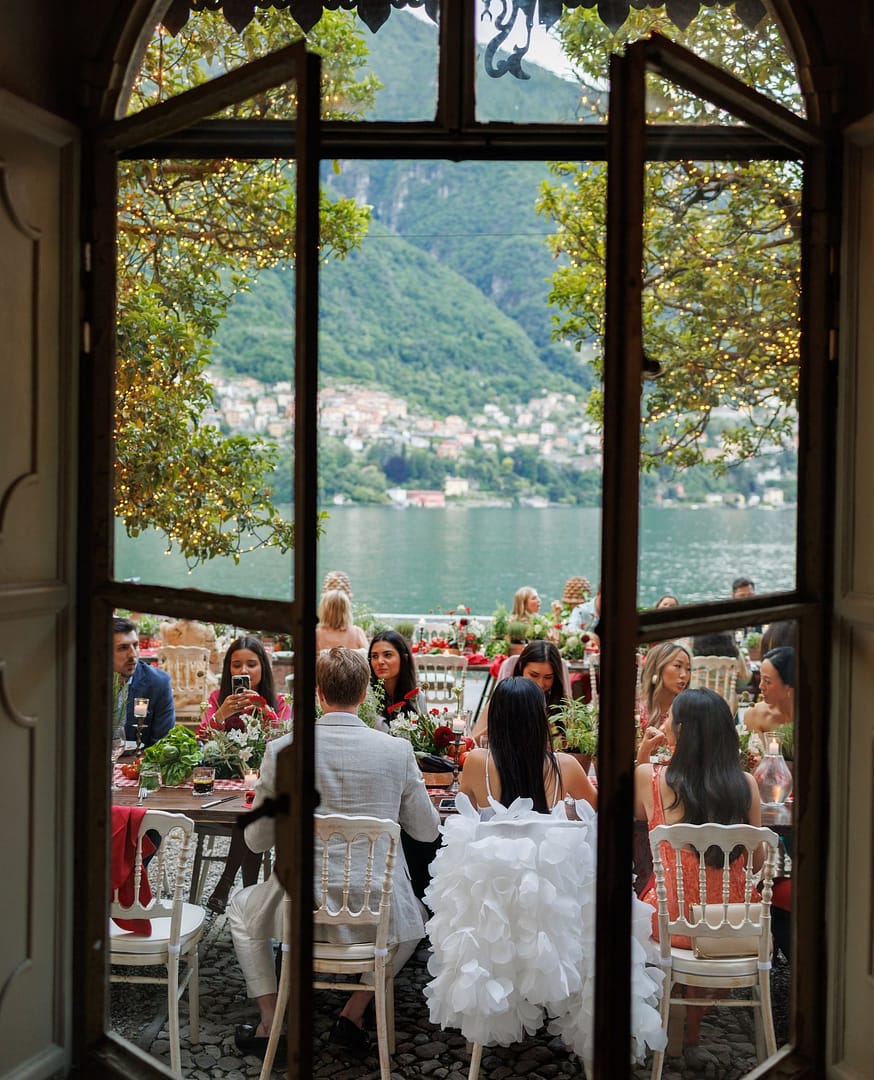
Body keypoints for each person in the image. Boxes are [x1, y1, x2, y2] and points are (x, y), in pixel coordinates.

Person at [228, 648, 440, 1060]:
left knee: (240, 910)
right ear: (363, 694)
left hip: (299, 910)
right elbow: (427, 831)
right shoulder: (396, 751)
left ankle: (270, 1022)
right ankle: (352, 1014)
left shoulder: (282, 749)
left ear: (319, 694)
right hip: (375, 914)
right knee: (415, 918)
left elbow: (255, 841)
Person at [634, 687, 763, 1049]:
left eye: (670, 717)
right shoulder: (747, 785)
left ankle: (671, 1001)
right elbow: (758, 861)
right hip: (733, 924)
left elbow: (637, 814)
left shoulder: (651, 779)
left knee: (651, 901)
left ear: (681, 730)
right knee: (716, 907)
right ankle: (694, 1017)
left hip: (670, 924)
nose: (665, 722)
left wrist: (643, 753)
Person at [199, 635, 292, 915]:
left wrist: (265, 712)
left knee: (252, 807)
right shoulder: (217, 699)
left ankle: (226, 883)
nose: (244, 671)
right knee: (249, 809)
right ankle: (249, 898)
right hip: (226, 788)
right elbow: (201, 743)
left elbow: (286, 741)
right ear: (228, 668)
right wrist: (220, 715)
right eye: (236, 665)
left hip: (264, 786)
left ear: (263, 667)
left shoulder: (278, 703)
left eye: (251, 664)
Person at [461, 677, 597, 812]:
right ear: (540, 719)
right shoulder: (565, 765)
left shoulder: (475, 761)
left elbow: (465, 812)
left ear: (494, 718)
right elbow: (597, 807)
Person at [471, 639, 570, 745]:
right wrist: (503, 721)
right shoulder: (503, 699)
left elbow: (570, 746)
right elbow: (473, 744)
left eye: (548, 677)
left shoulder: (560, 707)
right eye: (534, 675)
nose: (540, 684)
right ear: (521, 666)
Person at [112, 616, 175, 746]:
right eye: (123, 648)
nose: (132, 654)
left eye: (135, 645)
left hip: (138, 758)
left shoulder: (158, 683)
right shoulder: (85, 680)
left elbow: (162, 743)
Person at [636, 641, 692, 763]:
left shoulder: (689, 711)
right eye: (678, 666)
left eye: (688, 669)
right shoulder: (636, 710)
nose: (684, 675)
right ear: (657, 668)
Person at [368, 629, 421, 716]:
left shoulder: (417, 698)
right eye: (374, 656)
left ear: (404, 658)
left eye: (387, 655)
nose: (380, 661)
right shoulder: (366, 699)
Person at [744, 646, 795, 736]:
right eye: (761, 678)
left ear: (788, 686)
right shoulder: (754, 715)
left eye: (767, 681)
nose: (761, 686)